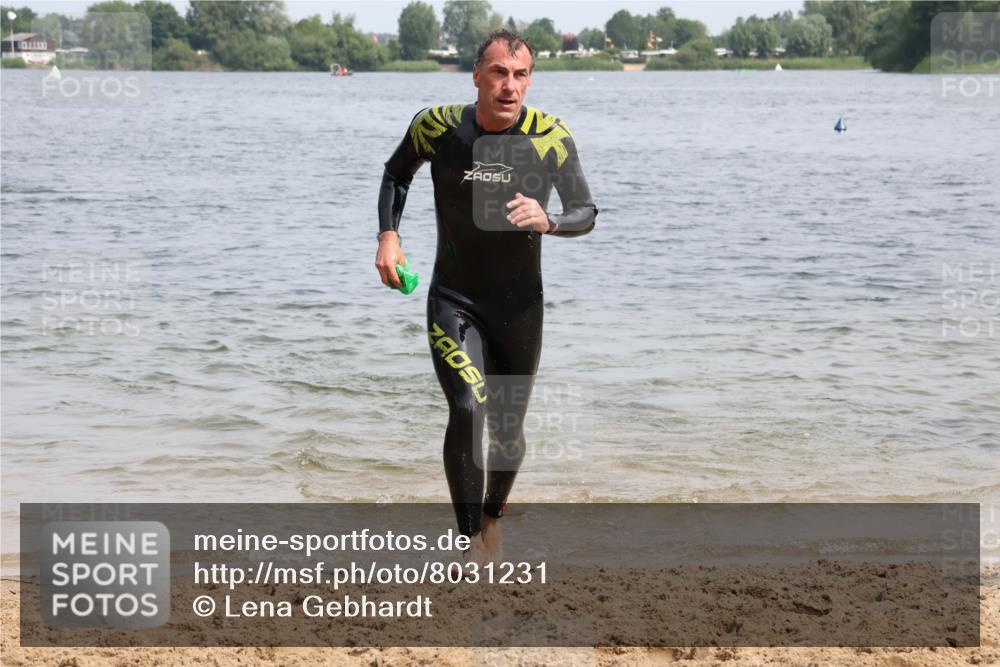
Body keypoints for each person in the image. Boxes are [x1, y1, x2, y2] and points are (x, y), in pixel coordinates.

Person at [375, 29, 597, 566]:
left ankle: (493, 519)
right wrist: (388, 235)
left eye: (521, 75)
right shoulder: (436, 128)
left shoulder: (551, 136)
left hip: (520, 306)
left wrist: (550, 221)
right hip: (454, 298)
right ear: (476, 74)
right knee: (468, 408)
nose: (509, 86)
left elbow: (586, 212)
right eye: (499, 73)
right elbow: (396, 173)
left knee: (508, 431)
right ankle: (469, 539)